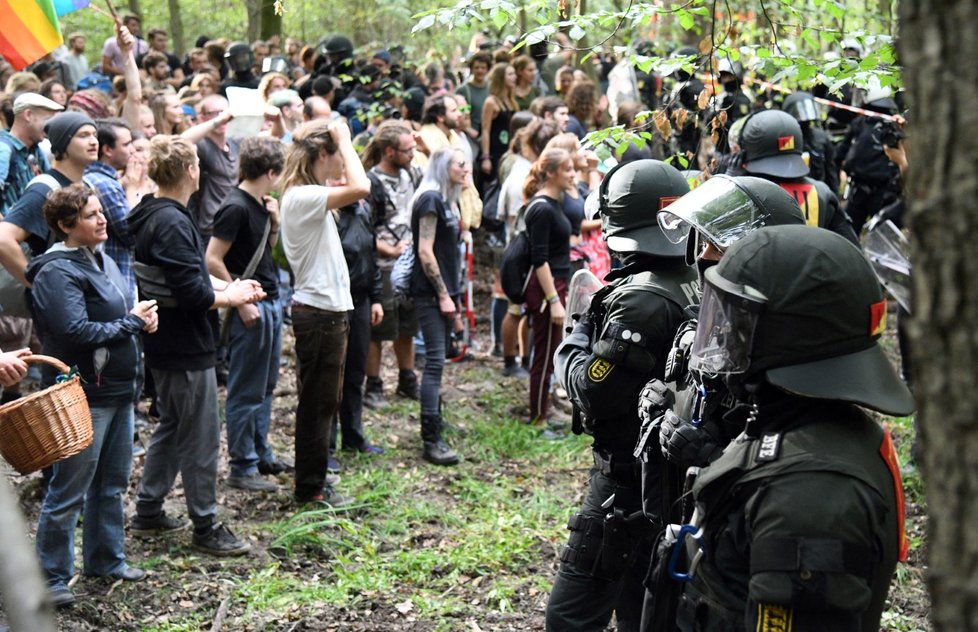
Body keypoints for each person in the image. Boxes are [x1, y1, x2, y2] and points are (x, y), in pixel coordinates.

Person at [663, 224, 913, 631]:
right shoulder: (793, 420)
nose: (723, 335)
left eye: (739, 322)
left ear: (792, 338)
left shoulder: (812, 493)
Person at [547, 160, 697, 632]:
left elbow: (593, 393)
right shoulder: (701, 277)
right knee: (644, 610)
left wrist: (576, 338)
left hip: (628, 482)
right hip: (678, 479)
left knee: (570, 616)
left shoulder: (640, 299)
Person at [127, 136, 264, 555]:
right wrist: (233, 297)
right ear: (190, 171)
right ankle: (206, 525)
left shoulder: (151, 211)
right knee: (201, 435)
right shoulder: (170, 221)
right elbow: (191, 293)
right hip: (184, 345)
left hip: (166, 343)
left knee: (172, 423)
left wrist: (229, 284)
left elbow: (187, 277)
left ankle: (148, 509)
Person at [27, 185, 159, 608]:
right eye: (91, 215)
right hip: (82, 394)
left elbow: (116, 315)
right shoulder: (56, 271)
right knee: (69, 489)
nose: (102, 220)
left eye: (101, 212)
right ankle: (51, 577)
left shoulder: (98, 257)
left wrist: (139, 321)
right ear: (67, 225)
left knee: (112, 482)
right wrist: (132, 324)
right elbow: (74, 331)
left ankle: (106, 560)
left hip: (120, 391)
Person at [279, 119, 369, 505]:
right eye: (337, 155)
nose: (342, 163)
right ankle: (309, 488)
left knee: (322, 401)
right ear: (321, 155)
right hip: (318, 314)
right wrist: (346, 140)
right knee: (317, 404)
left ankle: (313, 480)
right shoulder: (301, 196)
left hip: (326, 312)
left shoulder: (308, 194)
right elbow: (361, 186)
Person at [205, 136, 289, 492]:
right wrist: (240, 300)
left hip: (269, 300)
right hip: (251, 306)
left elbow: (262, 253)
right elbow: (212, 258)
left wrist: (274, 223)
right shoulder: (235, 206)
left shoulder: (259, 204)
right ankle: (242, 465)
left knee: (266, 385)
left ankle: (260, 451)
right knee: (245, 389)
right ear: (270, 172)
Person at [410, 145, 467, 466]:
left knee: (439, 358)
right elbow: (425, 251)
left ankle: (436, 420)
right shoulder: (430, 199)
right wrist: (443, 296)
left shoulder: (446, 198)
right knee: (434, 361)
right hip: (431, 293)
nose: (466, 169)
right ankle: (430, 438)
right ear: (445, 168)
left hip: (445, 290)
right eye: (460, 165)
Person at [360, 123, 422, 408]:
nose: (413, 153)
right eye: (407, 150)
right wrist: (388, 249)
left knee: (408, 324)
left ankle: (407, 377)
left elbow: (441, 166)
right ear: (388, 151)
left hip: (408, 264)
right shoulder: (370, 182)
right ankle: (373, 384)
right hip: (382, 264)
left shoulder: (411, 174)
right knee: (380, 326)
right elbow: (362, 228)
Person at [736, 109, 858, 244]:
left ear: (744, 155)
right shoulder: (821, 193)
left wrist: (732, 181)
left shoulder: (744, 195)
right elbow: (852, 247)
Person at [521, 148, 576, 425]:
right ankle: (537, 419)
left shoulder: (555, 202)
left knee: (551, 350)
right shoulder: (541, 207)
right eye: (567, 170)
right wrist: (554, 300)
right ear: (551, 172)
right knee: (543, 355)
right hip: (547, 288)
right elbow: (539, 259)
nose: (573, 175)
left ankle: (544, 409)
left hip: (558, 283)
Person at [0, 93, 62, 215]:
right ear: (28, 115)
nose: (51, 127)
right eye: (47, 120)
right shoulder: (4, 150)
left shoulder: (36, 150)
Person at [479, 63, 518, 182]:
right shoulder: (491, 102)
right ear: (501, 78)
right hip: (495, 151)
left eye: (514, 73)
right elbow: (485, 130)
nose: (514, 77)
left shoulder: (511, 100)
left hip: (508, 150)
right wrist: (486, 158)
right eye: (510, 74)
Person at [455, 52, 491, 136]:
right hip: (471, 136)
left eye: (483, 68)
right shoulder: (463, 90)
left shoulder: (491, 88)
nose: (480, 71)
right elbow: (458, 114)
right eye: (476, 68)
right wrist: (469, 129)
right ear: (471, 69)